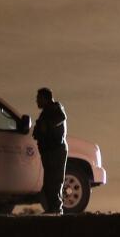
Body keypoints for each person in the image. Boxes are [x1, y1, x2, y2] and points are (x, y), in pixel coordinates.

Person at [32, 86, 68, 214]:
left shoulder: (55, 109)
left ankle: (56, 209)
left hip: (55, 150)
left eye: (38, 98)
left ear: (45, 98)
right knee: (50, 182)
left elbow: (60, 117)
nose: (37, 101)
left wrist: (45, 126)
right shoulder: (46, 112)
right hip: (50, 151)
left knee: (54, 181)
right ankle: (53, 209)